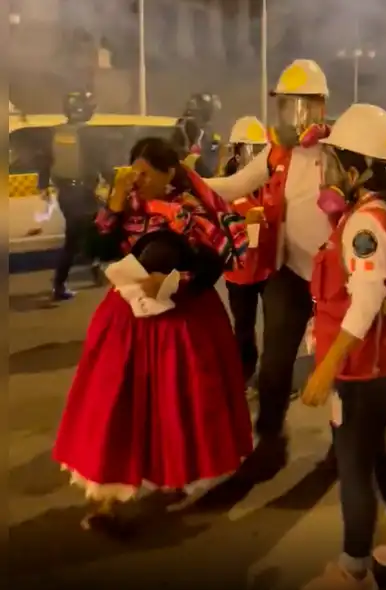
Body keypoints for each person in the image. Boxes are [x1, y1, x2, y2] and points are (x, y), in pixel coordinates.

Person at [52, 136, 253, 533]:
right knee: (114, 403)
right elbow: (96, 248)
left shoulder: (190, 210)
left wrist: (176, 281)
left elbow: (213, 265)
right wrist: (113, 204)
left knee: (177, 404)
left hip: (182, 321)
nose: (139, 180)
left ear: (169, 174)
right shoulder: (124, 205)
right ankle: (105, 495)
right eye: (134, 171)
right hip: (126, 319)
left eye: (147, 173)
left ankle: (172, 474)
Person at [299, 103, 386, 590]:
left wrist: (326, 369)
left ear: (356, 169)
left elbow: (365, 303)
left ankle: (353, 571)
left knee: (355, 468)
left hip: (363, 369)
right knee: (374, 450)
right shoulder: (380, 211)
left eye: (335, 162)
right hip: (380, 364)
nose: (328, 172)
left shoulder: (365, 225)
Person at [203, 59, 335, 482]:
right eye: (286, 106)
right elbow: (238, 184)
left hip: (339, 278)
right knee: (276, 362)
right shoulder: (279, 150)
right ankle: (271, 437)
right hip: (290, 271)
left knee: (340, 366)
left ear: (321, 105)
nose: (293, 116)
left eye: (302, 105)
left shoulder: (340, 149)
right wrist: (190, 183)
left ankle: (344, 444)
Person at [40, 91, 111, 300]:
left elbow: (45, 160)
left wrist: (43, 185)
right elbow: (103, 164)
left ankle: (96, 272)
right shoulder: (90, 135)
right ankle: (59, 285)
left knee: (91, 231)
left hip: (66, 193)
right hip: (83, 193)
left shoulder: (56, 132)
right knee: (76, 238)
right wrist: (117, 182)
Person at [221, 116, 272, 386]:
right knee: (244, 328)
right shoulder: (225, 188)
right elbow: (218, 229)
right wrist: (243, 224)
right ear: (237, 151)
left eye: (259, 151)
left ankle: (271, 376)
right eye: (249, 150)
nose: (254, 158)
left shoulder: (271, 182)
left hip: (268, 268)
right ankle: (245, 371)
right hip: (239, 275)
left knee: (276, 327)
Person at [173, 92, 223, 177]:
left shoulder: (213, 140)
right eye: (189, 113)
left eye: (195, 112)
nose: (189, 116)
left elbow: (210, 167)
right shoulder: (178, 132)